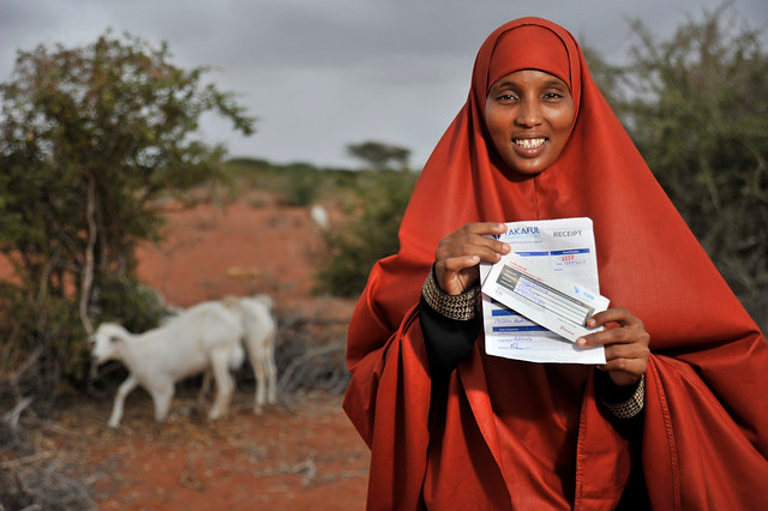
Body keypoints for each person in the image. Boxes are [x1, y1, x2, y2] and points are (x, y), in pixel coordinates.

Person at [343, 17, 768, 510]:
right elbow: (375, 393)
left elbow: (735, 384)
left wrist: (633, 381)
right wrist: (443, 306)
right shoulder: (438, 239)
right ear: (480, 107)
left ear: (578, 104)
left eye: (551, 95)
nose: (529, 117)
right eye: (506, 96)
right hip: (474, 490)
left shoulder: (644, 233)